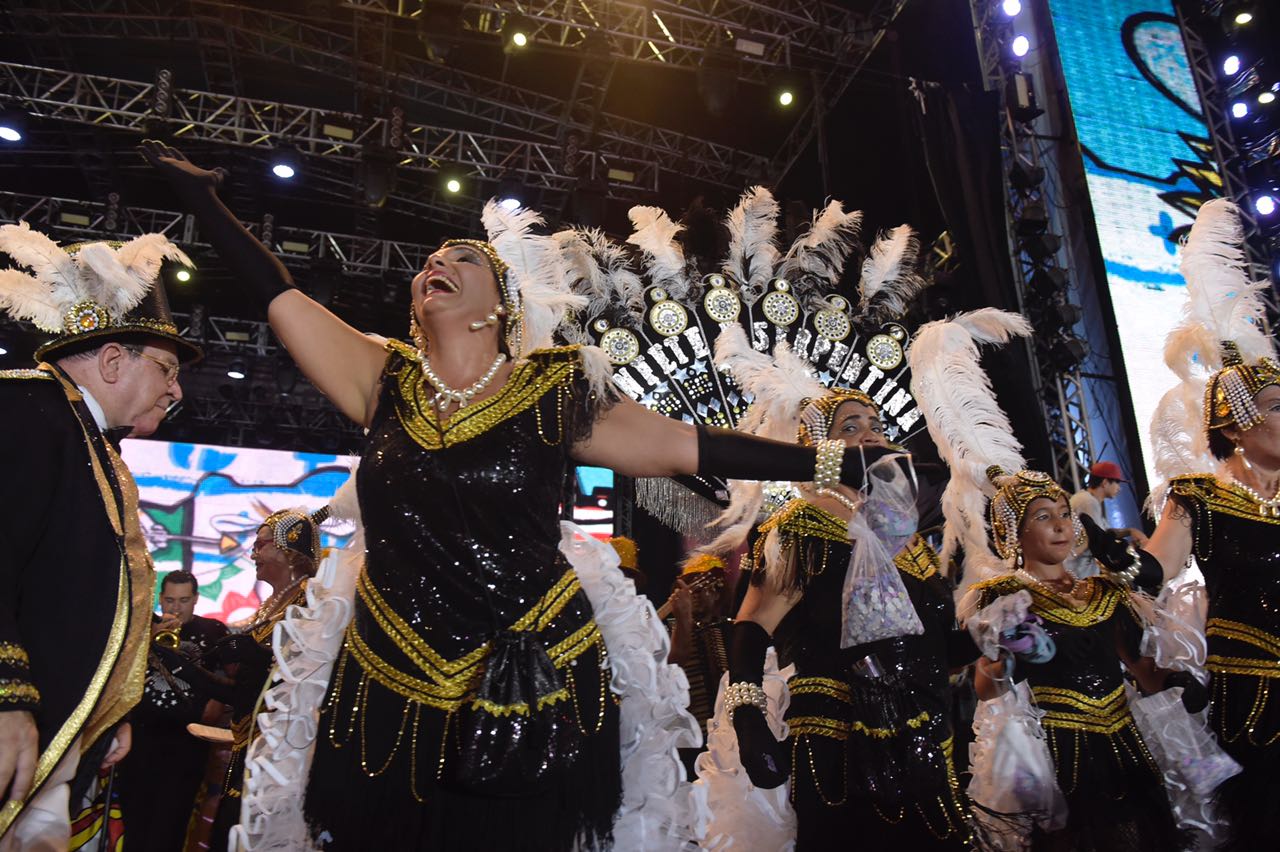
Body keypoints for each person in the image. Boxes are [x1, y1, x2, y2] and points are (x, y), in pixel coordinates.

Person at [141, 141, 890, 851]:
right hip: (390, 673)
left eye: (461, 258)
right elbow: (279, 293)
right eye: (430, 261)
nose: (437, 261)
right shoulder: (383, 379)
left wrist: (833, 464)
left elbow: (690, 445)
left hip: (536, 679)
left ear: (497, 306)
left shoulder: (552, 388)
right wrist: (204, 203)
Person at [907, 311, 1195, 850]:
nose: (1062, 524)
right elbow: (985, 686)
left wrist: (1179, 695)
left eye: (1063, 513)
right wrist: (1001, 661)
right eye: (1043, 516)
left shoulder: (1105, 589)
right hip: (1062, 751)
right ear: (1013, 533)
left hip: (1126, 741)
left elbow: (1138, 664)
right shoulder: (999, 599)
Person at [1084, 200, 1280, 850]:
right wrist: (1105, 549)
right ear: (1235, 425)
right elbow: (1155, 570)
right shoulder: (1198, 497)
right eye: (1278, 404)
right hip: (1257, 700)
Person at [720, 361, 977, 850]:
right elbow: (753, 622)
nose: (871, 435)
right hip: (837, 738)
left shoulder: (910, 541)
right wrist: (748, 718)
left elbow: (944, 649)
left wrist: (994, 635)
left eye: (878, 425)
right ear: (818, 450)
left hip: (927, 739)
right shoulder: (800, 524)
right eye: (851, 427)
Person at [0, 226, 199, 850]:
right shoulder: (27, 410)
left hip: (60, 726)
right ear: (113, 360)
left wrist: (110, 708)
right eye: (167, 368)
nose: (177, 390)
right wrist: (6, 700)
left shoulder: (78, 432)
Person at [158, 508, 326, 852]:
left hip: (279, 755)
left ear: (287, 550)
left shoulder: (309, 600)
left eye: (261, 544)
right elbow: (242, 691)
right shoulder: (273, 605)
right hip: (247, 744)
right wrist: (176, 663)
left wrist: (191, 662)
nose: (252, 553)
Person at [114, 571, 228, 851]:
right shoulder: (143, 627)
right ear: (160, 599)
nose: (176, 608)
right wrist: (148, 638)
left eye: (184, 600)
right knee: (134, 821)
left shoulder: (214, 631)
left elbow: (227, 682)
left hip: (186, 743)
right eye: (169, 600)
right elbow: (120, 672)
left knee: (172, 823)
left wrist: (215, 708)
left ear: (196, 599)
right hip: (140, 739)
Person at [664, 554, 732, 778]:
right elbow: (673, 664)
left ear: (717, 591)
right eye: (691, 589)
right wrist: (683, 620)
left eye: (701, 588)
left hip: (728, 742)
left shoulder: (731, 629)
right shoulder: (666, 630)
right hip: (688, 742)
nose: (695, 596)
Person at [1069, 461, 1148, 545]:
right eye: (1117, 482)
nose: (1119, 488)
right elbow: (1099, 542)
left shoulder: (1089, 499)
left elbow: (1106, 532)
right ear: (1105, 483)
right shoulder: (1088, 502)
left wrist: (1130, 531)